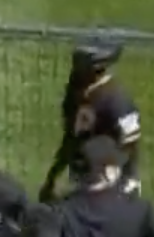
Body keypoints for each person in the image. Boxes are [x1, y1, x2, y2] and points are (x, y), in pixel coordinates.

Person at [41, 41, 142, 201]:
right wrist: (54, 175)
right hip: (82, 174)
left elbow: (130, 144)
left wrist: (127, 182)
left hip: (110, 180)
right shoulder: (75, 92)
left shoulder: (117, 99)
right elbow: (71, 137)